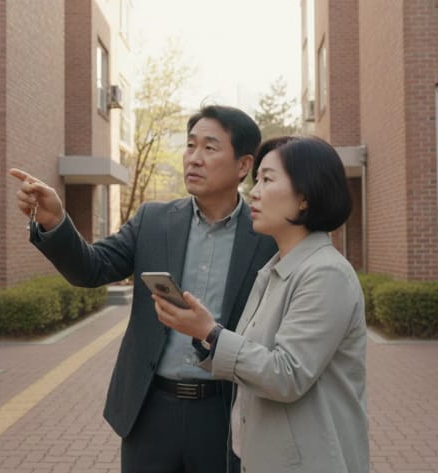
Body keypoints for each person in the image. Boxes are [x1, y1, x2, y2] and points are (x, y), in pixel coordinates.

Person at [9, 105, 278, 473]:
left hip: (226, 411)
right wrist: (56, 221)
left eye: (210, 148)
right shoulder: (154, 221)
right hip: (150, 410)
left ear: (244, 165)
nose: (194, 159)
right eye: (190, 146)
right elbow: (92, 268)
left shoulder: (267, 236)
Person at [154, 136, 370, 473]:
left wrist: (211, 333)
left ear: (304, 198)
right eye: (256, 181)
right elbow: (256, 359)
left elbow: (286, 375)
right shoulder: (275, 270)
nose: (253, 192)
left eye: (267, 180)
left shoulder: (326, 273)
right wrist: (205, 334)